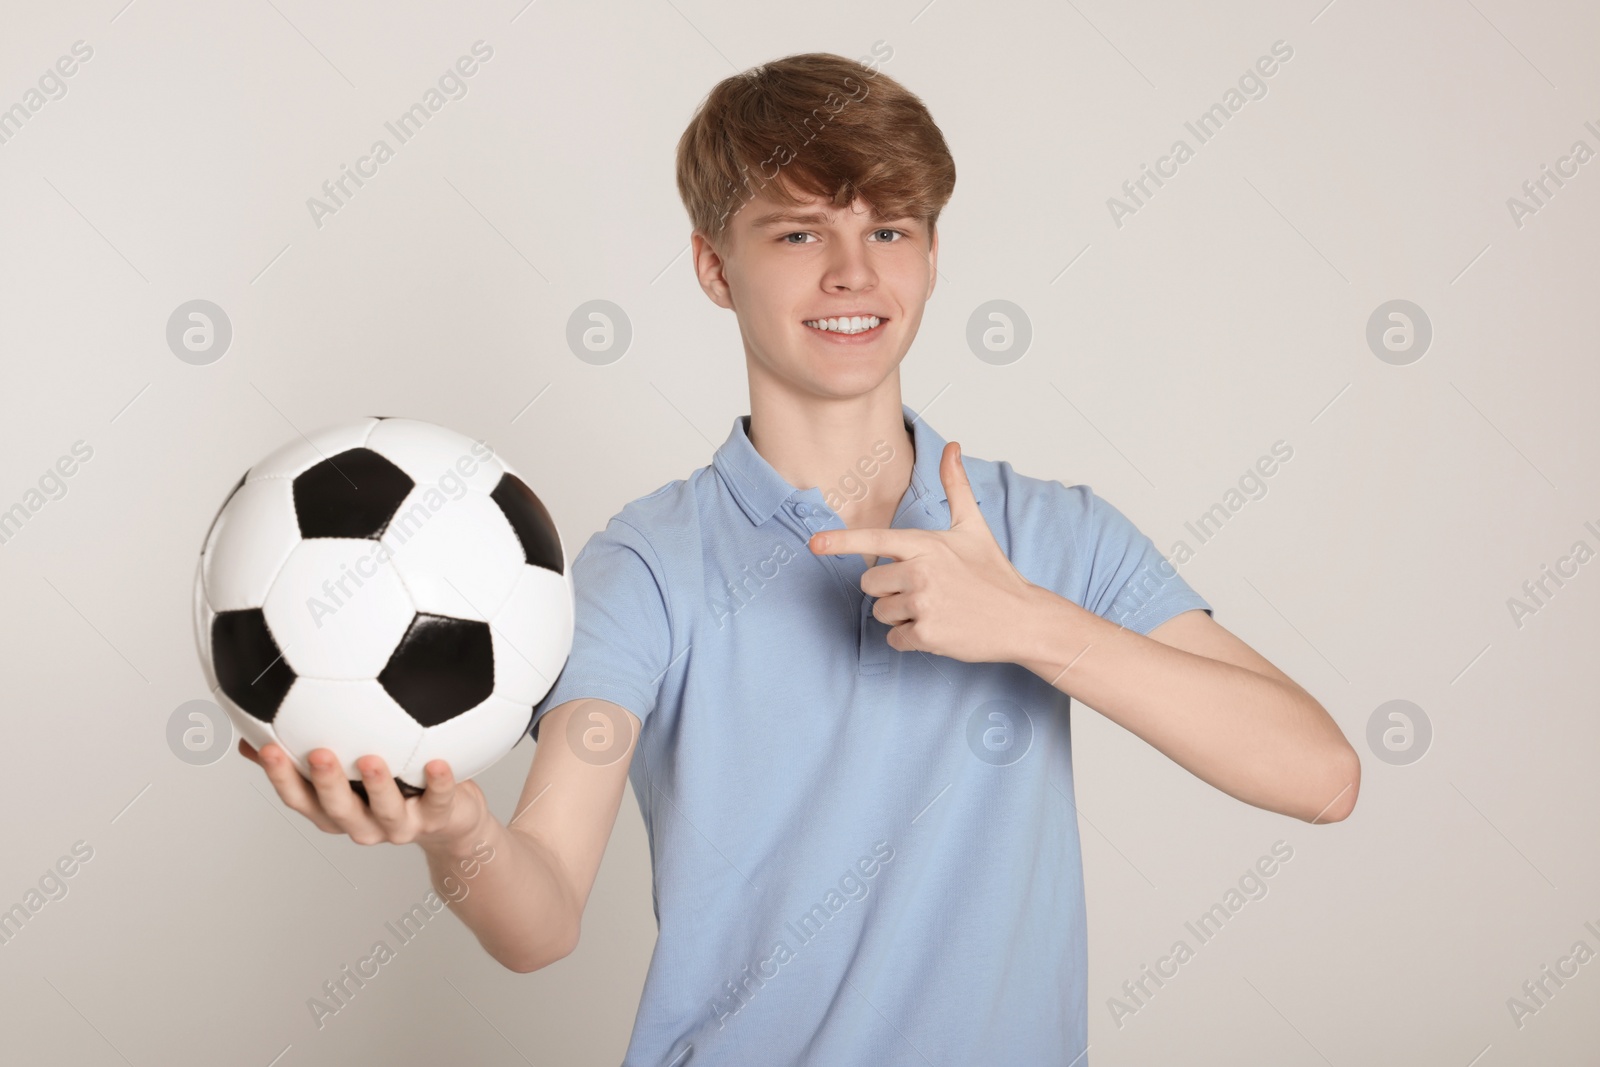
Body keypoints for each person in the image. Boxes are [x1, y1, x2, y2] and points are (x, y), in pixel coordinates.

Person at [245, 51, 1360, 1065]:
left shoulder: (1052, 534)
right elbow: (540, 919)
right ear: (714, 267)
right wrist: (461, 835)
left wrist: (1031, 625)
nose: (850, 272)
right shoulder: (646, 566)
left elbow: (1321, 776)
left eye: (889, 229)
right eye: (797, 232)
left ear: (930, 256)